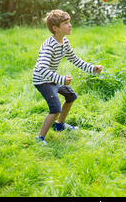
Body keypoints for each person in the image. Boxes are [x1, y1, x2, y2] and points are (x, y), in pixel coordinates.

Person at [33, 9, 102, 144]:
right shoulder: (49, 46)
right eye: (65, 23)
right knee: (55, 108)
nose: (70, 25)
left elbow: (74, 59)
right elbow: (41, 69)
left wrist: (92, 69)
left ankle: (60, 125)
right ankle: (39, 138)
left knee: (71, 96)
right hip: (42, 80)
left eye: (69, 22)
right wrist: (61, 79)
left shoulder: (64, 42)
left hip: (52, 78)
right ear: (55, 28)